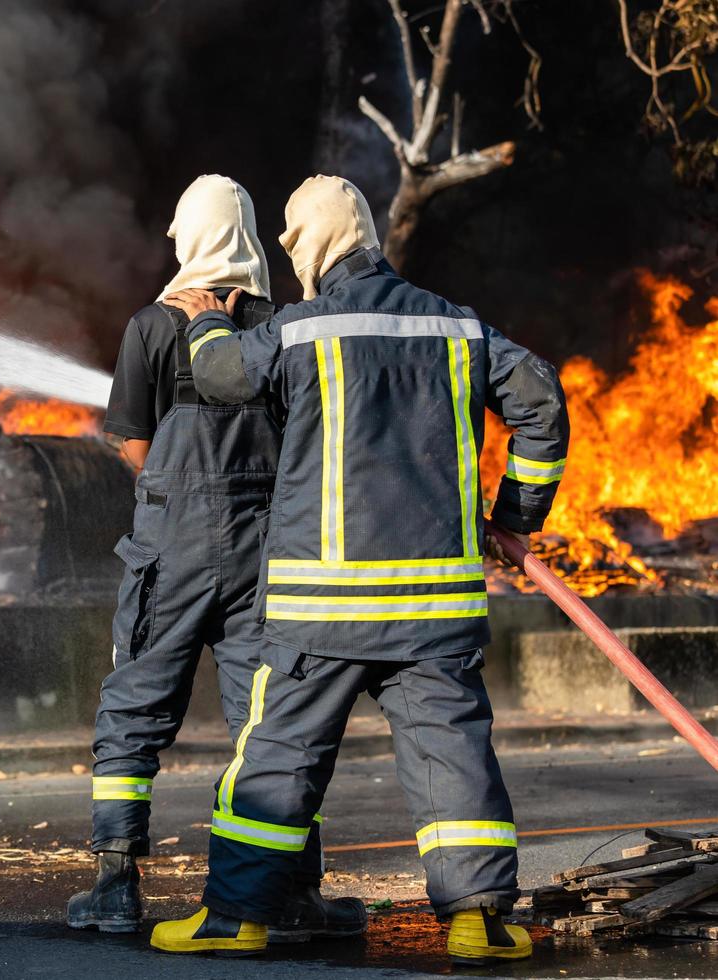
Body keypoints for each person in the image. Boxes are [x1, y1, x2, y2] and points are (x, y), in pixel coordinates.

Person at [149, 174, 569, 963]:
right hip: (434, 612)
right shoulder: (459, 328)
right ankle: (478, 920)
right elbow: (541, 404)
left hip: (322, 610)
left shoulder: (303, 331)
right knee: (453, 756)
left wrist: (207, 321)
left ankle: (236, 918)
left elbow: (220, 378)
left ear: (305, 246)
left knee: (276, 757)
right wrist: (515, 515)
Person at [67, 174, 365, 943]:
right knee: (272, 722)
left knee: (136, 703)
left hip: (171, 551)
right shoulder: (287, 325)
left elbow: (134, 440)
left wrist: (175, 493)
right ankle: (293, 893)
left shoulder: (151, 326)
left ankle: (115, 886)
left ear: (187, 236)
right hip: (266, 548)